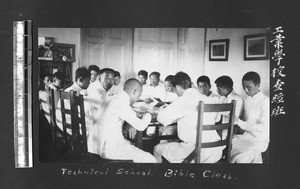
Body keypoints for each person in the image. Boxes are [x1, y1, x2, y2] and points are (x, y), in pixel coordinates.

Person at [153, 72, 224, 163]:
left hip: (196, 152)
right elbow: (217, 119)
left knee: (157, 149)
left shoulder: (182, 100)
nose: (175, 93)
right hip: (216, 150)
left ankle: (172, 175)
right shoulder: (207, 98)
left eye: (174, 90)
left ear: (178, 88)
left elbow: (161, 119)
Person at [87, 78, 157, 163]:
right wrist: (148, 114)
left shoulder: (112, 98)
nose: (137, 99)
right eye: (138, 96)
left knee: (130, 145)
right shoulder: (122, 103)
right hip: (108, 149)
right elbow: (141, 126)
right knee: (151, 159)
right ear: (135, 92)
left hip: (94, 147)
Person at [230, 71, 269, 163]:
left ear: (257, 85)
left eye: (249, 87)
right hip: (246, 137)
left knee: (240, 159)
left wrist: (239, 122)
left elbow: (263, 127)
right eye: (244, 87)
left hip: (259, 140)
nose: (246, 90)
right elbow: (246, 121)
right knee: (228, 146)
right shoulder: (247, 100)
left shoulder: (266, 102)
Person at [56, 67, 92, 133]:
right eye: (88, 80)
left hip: (62, 125)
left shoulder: (69, 90)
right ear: (80, 79)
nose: (89, 83)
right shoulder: (77, 93)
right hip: (71, 129)